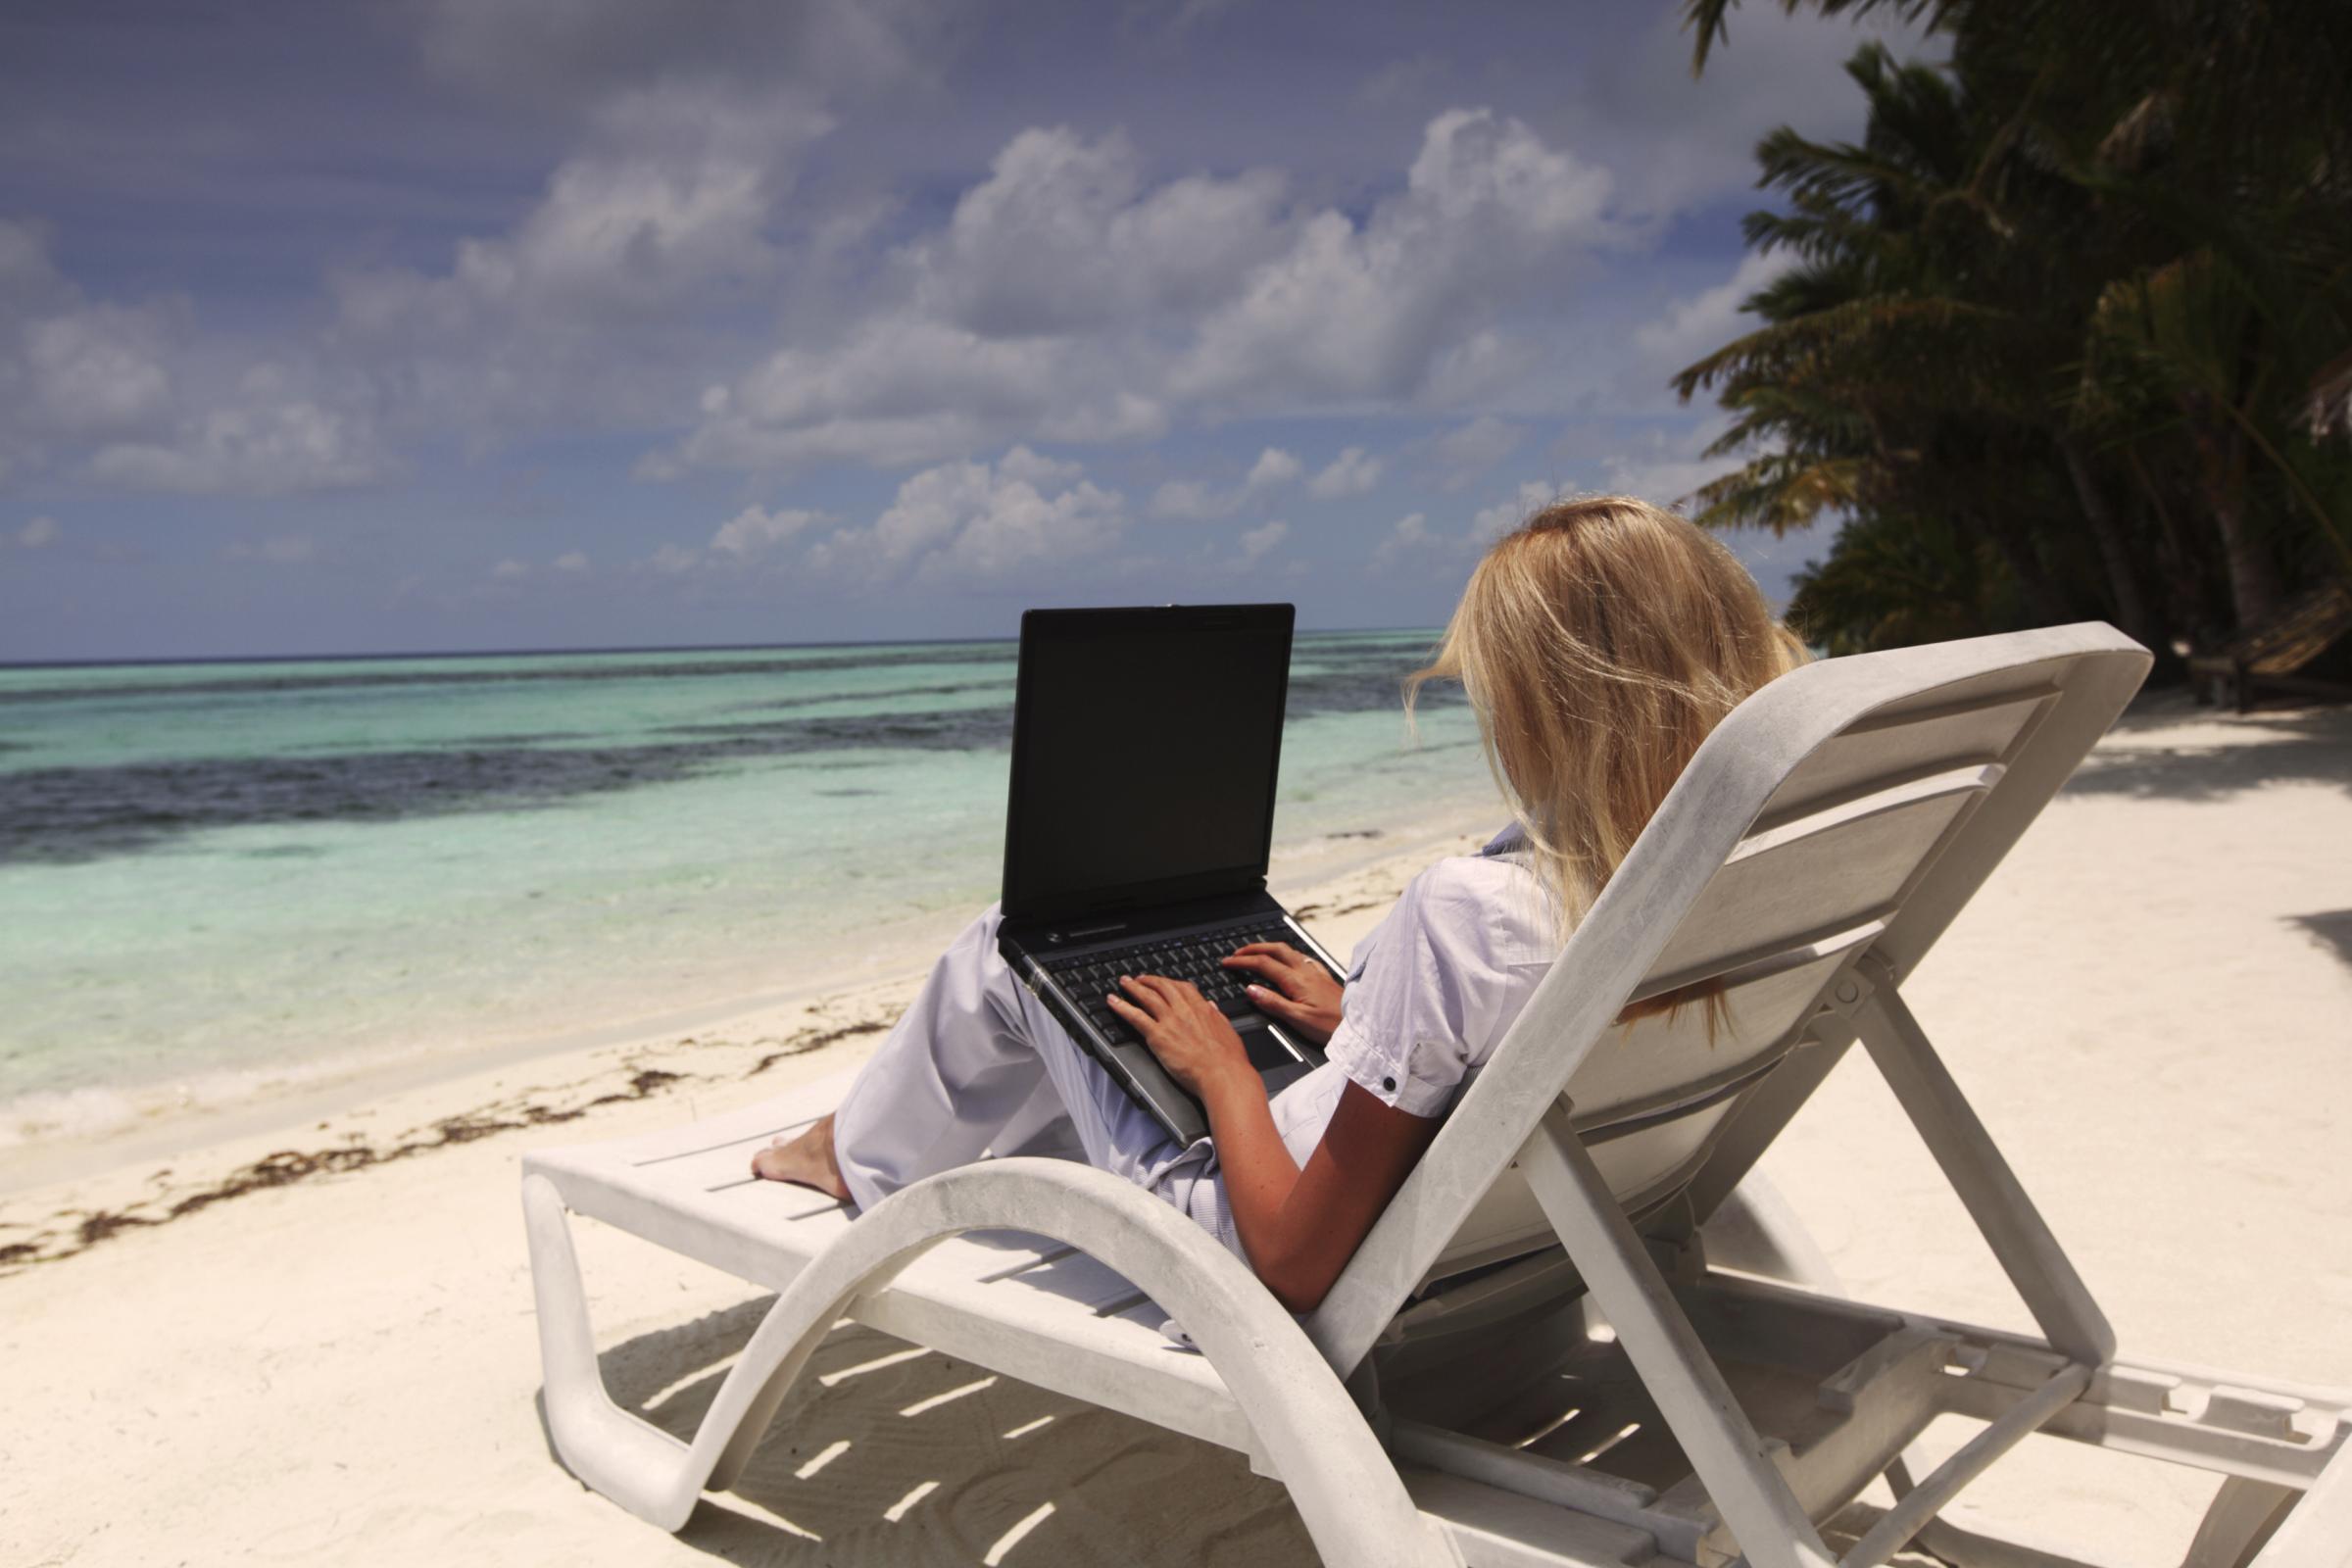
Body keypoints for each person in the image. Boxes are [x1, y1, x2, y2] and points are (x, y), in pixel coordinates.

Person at [753, 496, 1807, 1313]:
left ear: (1555, 704)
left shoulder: (1472, 915)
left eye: (1496, 686)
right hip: (1500, 1225)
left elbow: (1293, 1263)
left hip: (1229, 1218)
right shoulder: (1712, 868)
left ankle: (852, 1153)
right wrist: (1369, 1021)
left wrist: (1222, 1073)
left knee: (1011, 944)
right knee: (1102, 1004)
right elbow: (1503, 1037)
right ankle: (875, 1135)